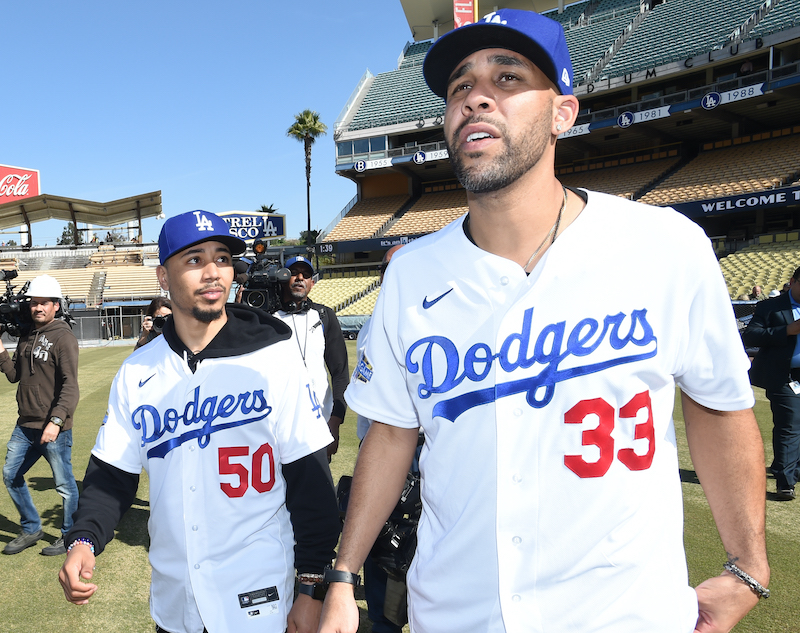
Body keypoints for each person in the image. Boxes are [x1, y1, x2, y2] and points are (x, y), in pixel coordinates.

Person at [319, 9, 769, 633]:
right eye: (458, 88)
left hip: (624, 616)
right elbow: (392, 435)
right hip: (456, 615)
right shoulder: (411, 274)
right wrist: (343, 575)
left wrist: (749, 566)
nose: (476, 97)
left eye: (507, 78)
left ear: (563, 112)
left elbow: (719, 406)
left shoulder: (663, 244)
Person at [59, 210, 340, 633]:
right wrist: (84, 540)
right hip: (177, 602)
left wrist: (311, 585)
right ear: (162, 276)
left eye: (222, 258)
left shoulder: (275, 358)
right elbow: (110, 476)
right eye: (194, 260)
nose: (213, 272)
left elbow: (310, 482)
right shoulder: (138, 371)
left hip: (260, 597)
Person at [1, 274, 79, 556]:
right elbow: (15, 376)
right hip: (25, 426)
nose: (37, 307)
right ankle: (31, 527)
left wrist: (56, 422)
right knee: (11, 475)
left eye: (44, 303)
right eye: (33, 303)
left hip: (53, 427)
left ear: (55, 305)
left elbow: (71, 386)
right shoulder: (26, 336)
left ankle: (70, 534)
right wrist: (1, 352)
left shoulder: (63, 337)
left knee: (64, 485)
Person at [354, 245, 406, 633]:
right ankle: (380, 620)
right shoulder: (376, 323)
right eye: (392, 268)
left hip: (432, 456)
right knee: (380, 543)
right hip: (385, 447)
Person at [274, 256, 348, 459]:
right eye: (294, 273)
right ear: (283, 278)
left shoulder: (325, 316)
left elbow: (340, 373)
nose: (299, 278)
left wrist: (335, 421)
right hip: (278, 429)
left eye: (305, 275)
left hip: (320, 427)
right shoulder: (267, 318)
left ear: (312, 283)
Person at [743, 267, 800, 501]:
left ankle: (789, 468)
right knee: (790, 425)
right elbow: (751, 336)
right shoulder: (770, 306)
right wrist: (787, 330)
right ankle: (785, 482)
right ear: (793, 281)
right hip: (783, 376)